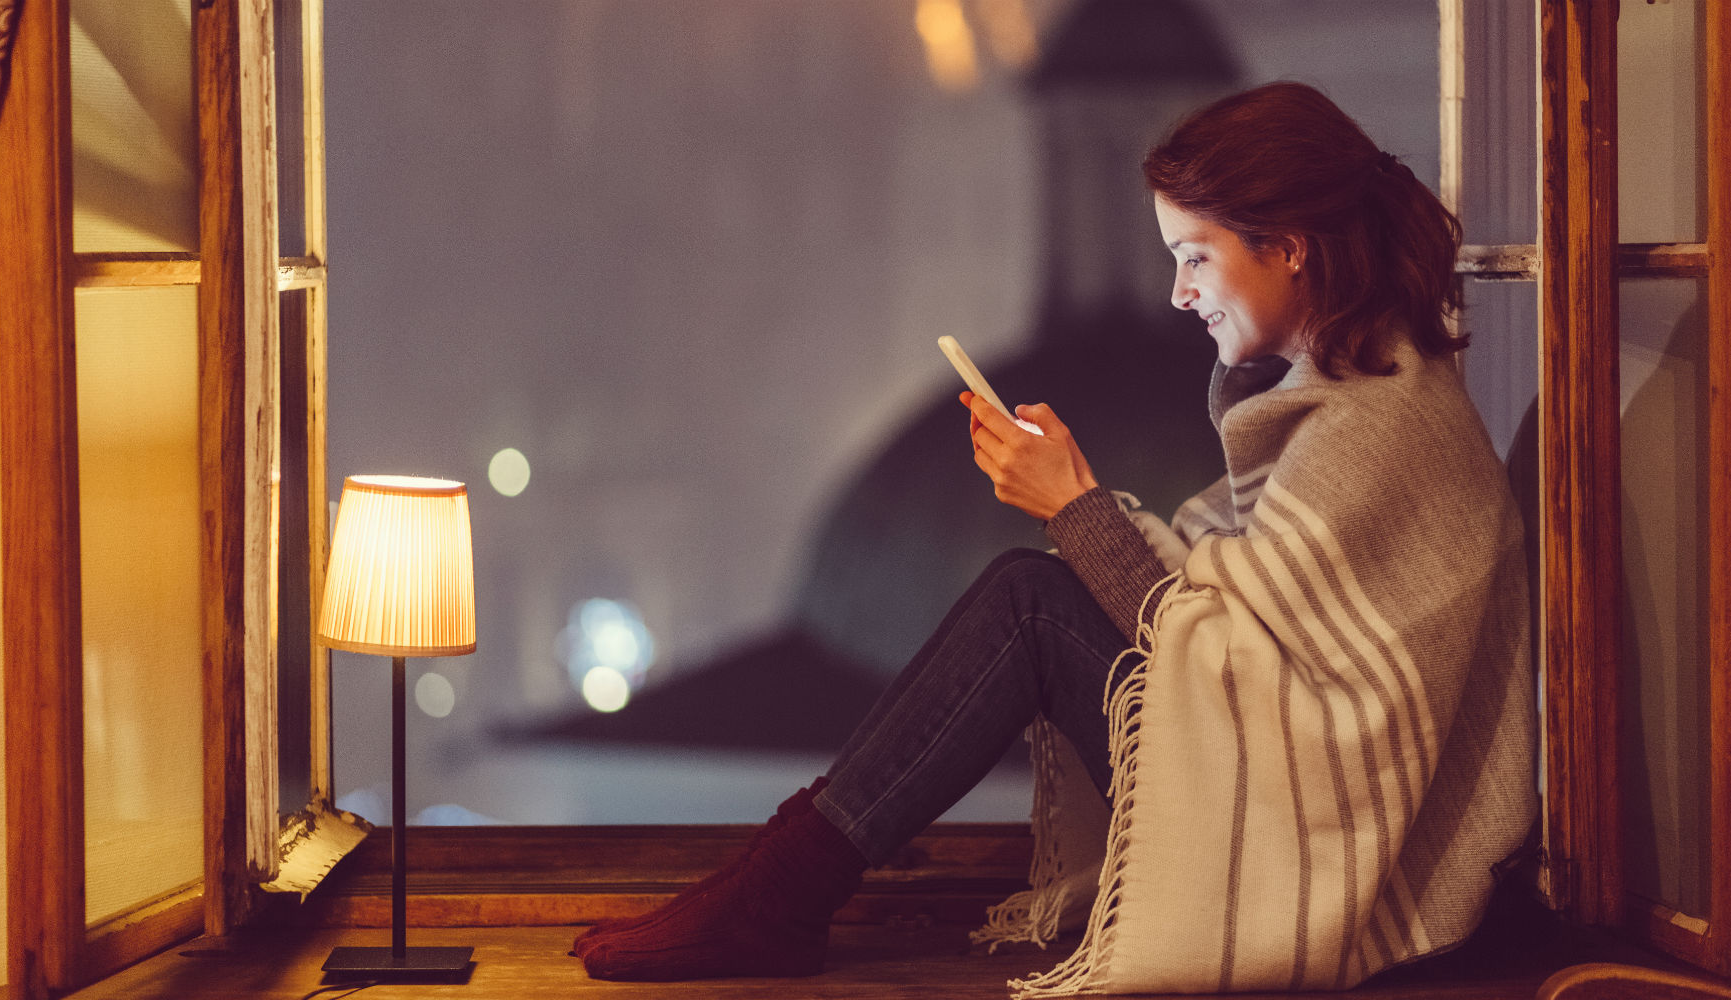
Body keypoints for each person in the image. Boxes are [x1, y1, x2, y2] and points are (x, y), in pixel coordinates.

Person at [572, 81, 1536, 995]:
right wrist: (1072, 504)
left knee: (1028, 600)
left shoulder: (1377, 424)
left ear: (1288, 248)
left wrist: (1073, 507)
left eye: (1195, 256)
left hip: (1324, 850)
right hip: (1300, 804)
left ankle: (776, 896)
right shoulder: (1359, 396)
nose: (1178, 292)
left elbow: (1232, 662)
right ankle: (777, 890)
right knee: (1032, 587)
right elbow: (1234, 616)